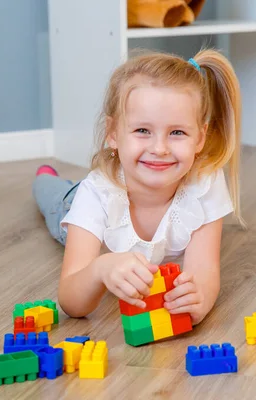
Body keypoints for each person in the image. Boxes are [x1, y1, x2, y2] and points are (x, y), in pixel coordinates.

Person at [33, 48, 244, 325]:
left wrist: (199, 298)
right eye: (143, 131)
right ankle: (44, 176)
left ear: (201, 138)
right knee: (51, 194)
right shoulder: (95, 195)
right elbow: (72, 301)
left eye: (177, 132)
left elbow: (204, 271)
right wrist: (99, 269)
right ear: (113, 133)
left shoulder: (204, 183)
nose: (159, 148)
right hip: (72, 204)